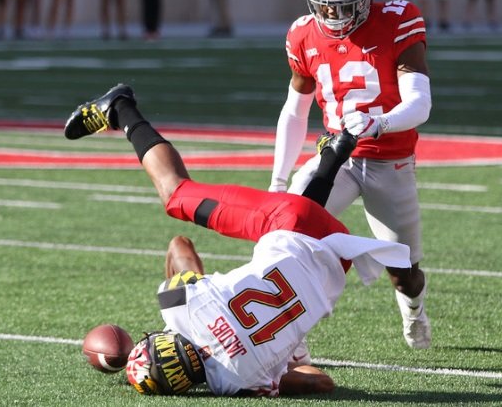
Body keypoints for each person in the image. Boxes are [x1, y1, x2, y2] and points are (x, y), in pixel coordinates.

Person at [63, 84, 411, 396]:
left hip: (335, 260)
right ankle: (120, 107)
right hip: (289, 221)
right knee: (176, 196)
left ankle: (331, 160)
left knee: (290, 252)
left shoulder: (236, 381)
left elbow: (320, 382)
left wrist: (276, 365)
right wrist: (178, 306)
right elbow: (179, 245)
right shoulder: (180, 309)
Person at [270, 0, 433, 350]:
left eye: (341, 6)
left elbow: (420, 103)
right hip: (336, 155)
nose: (330, 14)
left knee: (404, 271)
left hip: (389, 159)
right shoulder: (303, 34)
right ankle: (286, 336)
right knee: (287, 233)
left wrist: (379, 124)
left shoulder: (399, 20)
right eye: (322, 5)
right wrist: (278, 180)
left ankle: (413, 310)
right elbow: (294, 110)